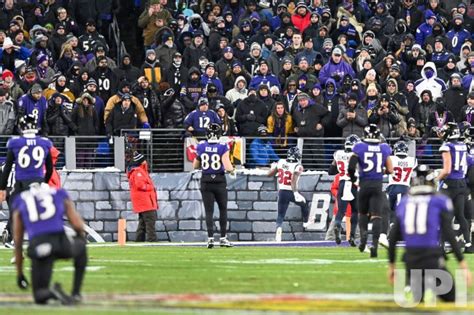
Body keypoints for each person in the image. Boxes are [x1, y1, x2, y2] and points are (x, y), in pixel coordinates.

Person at [388, 165, 472, 303]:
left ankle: (412, 287)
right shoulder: (439, 200)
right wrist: (462, 264)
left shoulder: (404, 202)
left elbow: (393, 238)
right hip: (431, 258)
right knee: (454, 301)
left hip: (410, 260)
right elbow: (449, 234)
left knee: (416, 303)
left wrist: (392, 266)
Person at [12, 182, 87, 305]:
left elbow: (18, 241)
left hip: (38, 244)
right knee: (81, 245)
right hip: (60, 241)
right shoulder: (58, 193)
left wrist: (20, 274)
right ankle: (76, 293)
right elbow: (78, 225)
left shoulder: (20, 200)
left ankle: (51, 292)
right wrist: (80, 237)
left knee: (39, 295)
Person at [348, 124, 393, 257]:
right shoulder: (384, 148)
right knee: (376, 216)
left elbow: (351, 167)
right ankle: (374, 246)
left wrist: (353, 178)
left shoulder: (360, 147)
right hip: (377, 186)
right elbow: (390, 170)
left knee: (362, 214)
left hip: (364, 184)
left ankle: (363, 241)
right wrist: (379, 171)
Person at [193, 123, 235, 248]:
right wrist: (233, 170)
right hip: (219, 181)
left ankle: (210, 238)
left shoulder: (201, 146)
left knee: (209, 211)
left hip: (206, 180)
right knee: (223, 210)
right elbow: (227, 167)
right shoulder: (222, 146)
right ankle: (223, 238)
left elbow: (195, 165)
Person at [436, 122, 473, 253]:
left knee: (442, 214)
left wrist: (435, 179)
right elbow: (470, 161)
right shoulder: (462, 145)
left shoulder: (447, 146)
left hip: (450, 184)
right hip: (462, 184)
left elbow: (446, 170)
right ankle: (468, 245)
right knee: (460, 215)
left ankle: (440, 246)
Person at [267, 147, 309, 242]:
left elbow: (269, 174)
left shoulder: (281, 162)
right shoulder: (298, 166)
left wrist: (273, 167)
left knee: (280, 215)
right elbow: (293, 180)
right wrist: (295, 193)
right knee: (305, 204)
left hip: (282, 191)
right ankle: (305, 222)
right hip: (291, 191)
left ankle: (278, 229)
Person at [382, 141, 417, 247]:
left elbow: (385, 170)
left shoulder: (391, 159)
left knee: (391, 210)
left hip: (393, 187)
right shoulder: (413, 160)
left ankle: (393, 230)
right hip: (405, 187)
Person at [330, 134, 360, 246]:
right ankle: (351, 236)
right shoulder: (357, 155)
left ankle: (337, 225)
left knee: (341, 211)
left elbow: (331, 170)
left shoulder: (338, 154)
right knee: (355, 211)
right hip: (353, 184)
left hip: (342, 183)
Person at [127, 151, 159, 242]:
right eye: (144, 160)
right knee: (150, 221)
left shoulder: (139, 171)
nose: (146, 162)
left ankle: (139, 240)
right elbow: (140, 185)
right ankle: (152, 239)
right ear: (141, 162)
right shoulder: (139, 172)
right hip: (145, 201)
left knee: (143, 223)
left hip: (144, 201)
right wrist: (151, 187)